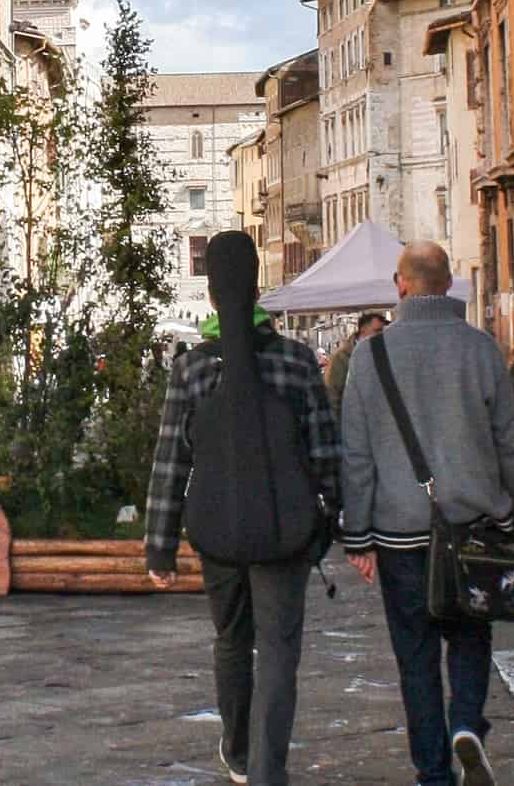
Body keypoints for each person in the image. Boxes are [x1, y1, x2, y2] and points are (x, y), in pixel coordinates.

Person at [145, 231, 340, 786]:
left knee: (232, 641)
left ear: (210, 296)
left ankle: (235, 748)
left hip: (217, 532)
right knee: (278, 650)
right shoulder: (298, 363)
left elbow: (170, 463)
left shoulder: (192, 369)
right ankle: (265, 768)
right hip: (286, 532)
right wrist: (333, 522)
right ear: (258, 290)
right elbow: (326, 454)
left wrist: (159, 545)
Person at [341, 242, 514, 786]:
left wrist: (357, 537)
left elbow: (356, 457)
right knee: (472, 635)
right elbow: (508, 445)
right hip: (476, 525)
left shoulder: (368, 355)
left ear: (399, 285)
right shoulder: (481, 349)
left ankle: (434, 773)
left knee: (415, 657)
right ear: (449, 285)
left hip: (400, 533)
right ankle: (467, 721)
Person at [327, 312, 387, 421]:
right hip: (349, 424)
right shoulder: (340, 357)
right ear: (363, 330)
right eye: (377, 331)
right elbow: (331, 395)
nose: (382, 335)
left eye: (384, 331)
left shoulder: (383, 353)